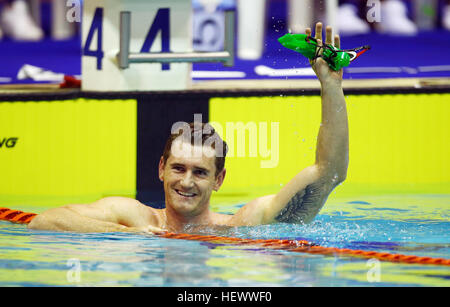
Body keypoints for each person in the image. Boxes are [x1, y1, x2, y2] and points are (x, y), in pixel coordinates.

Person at [28, 23, 349, 234]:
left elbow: (329, 172)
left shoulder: (243, 225)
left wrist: (330, 86)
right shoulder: (134, 217)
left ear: (219, 179)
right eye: (179, 168)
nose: (186, 181)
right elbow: (45, 222)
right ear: (161, 169)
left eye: (200, 172)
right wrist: (125, 235)